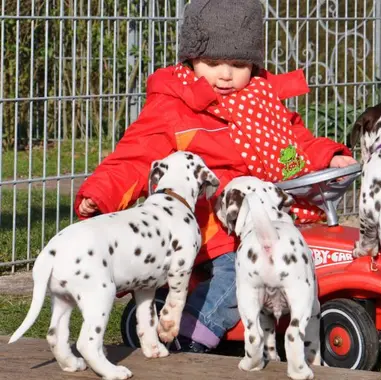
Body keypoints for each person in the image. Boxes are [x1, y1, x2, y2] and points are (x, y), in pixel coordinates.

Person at [75, 0, 356, 353]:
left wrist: (328, 156)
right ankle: (193, 335)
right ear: (191, 59)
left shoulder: (262, 99)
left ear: (253, 63)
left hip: (258, 215)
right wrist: (100, 193)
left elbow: (295, 141)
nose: (225, 74)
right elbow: (134, 155)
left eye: (238, 64)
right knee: (240, 271)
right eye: (212, 63)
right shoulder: (173, 107)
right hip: (209, 227)